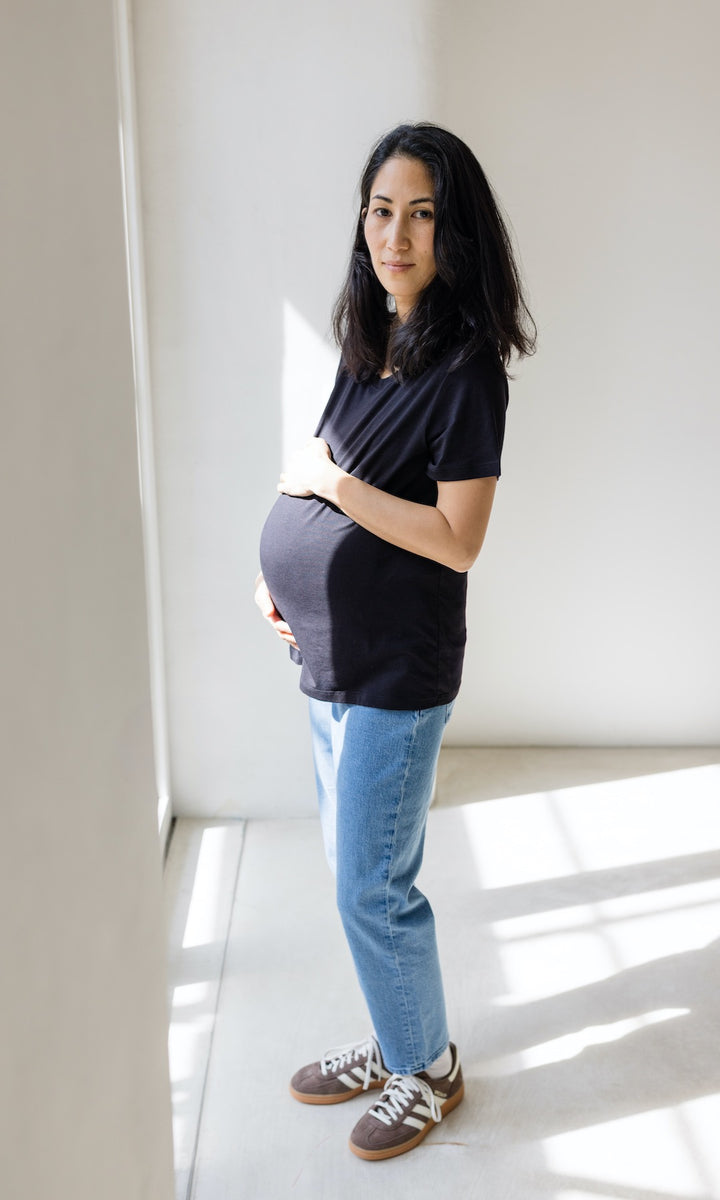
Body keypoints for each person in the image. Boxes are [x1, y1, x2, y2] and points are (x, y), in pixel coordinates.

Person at [255, 122, 535, 1161]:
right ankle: (395, 1037)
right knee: (354, 867)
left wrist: (329, 494)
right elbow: (321, 462)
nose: (396, 236)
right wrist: (272, 570)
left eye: (422, 213)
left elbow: (457, 542)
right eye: (382, 210)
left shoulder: (468, 372)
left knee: (369, 882)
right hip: (327, 658)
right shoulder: (371, 342)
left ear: (455, 231)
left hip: (396, 673)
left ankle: (430, 1068)